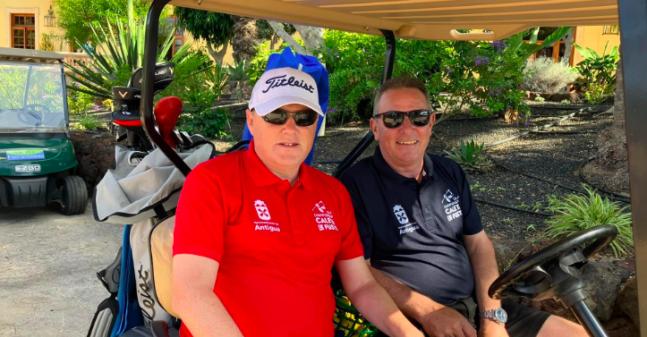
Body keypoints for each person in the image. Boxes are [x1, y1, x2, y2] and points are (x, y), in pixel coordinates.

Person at [171, 67, 424, 337]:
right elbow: (191, 292)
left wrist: (409, 333)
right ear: (251, 120)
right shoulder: (212, 182)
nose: (290, 128)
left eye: (304, 117)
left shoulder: (333, 193)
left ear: (315, 124)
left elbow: (362, 285)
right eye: (276, 115)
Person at [340, 77, 589, 337]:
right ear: (375, 127)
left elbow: (478, 244)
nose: (407, 128)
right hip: (414, 319)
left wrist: (492, 318)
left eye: (419, 117)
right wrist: (428, 311)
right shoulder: (354, 186)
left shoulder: (449, 172)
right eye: (392, 118)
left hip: (481, 306)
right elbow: (361, 272)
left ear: (431, 123)